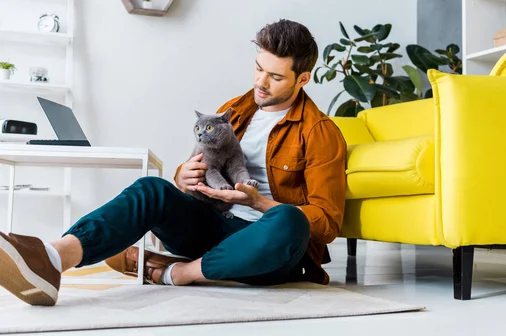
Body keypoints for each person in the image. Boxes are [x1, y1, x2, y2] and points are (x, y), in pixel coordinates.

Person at [0, 19, 347, 306]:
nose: (260, 82)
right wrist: (183, 177)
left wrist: (257, 202)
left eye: (275, 77)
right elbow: (199, 164)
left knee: (288, 218)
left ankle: (179, 273)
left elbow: (327, 222)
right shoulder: (235, 110)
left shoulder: (320, 132)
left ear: (302, 79)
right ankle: (53, 258)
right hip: (216, 224)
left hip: (268, 248)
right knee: (152, 188)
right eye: (258, 68)